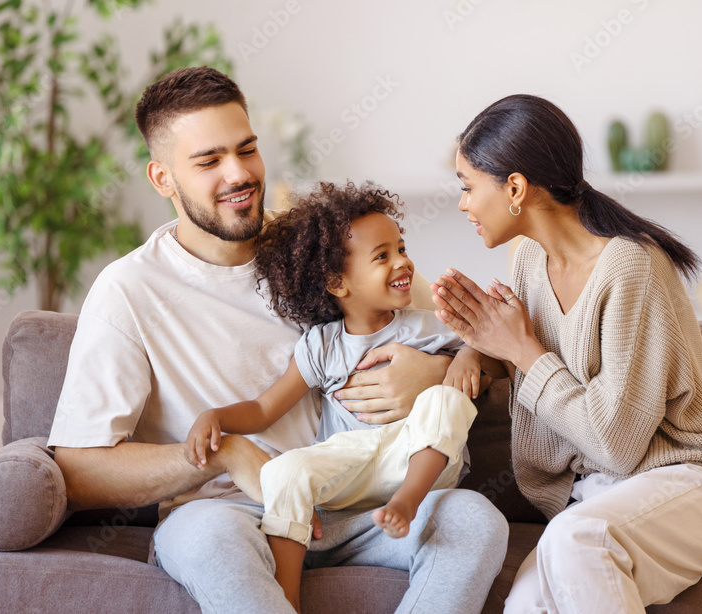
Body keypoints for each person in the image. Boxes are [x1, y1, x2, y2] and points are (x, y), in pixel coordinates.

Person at [46, 66, 508, 614]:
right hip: (229, 516)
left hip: (353, 501)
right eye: (209, 160)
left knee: (473, 520)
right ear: (162, 178)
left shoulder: (322, 248)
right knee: (203, 538)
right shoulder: (128, 291)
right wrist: (223, 457)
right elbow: (76, 470)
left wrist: (436, 373)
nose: (239, 173)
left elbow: (485, 342)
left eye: (247, 149)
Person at [430, 94, 702, 613]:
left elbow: (617, 442)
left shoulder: (630, 267)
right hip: (601, 501)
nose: (462, 204)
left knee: (577, 541)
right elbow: (535, 348)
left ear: (516, 188)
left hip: (701, 483)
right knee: (523, 605)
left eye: (467, 187)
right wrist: (473, 352)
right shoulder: (529, 260)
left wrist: (522, 351)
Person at [183, 181, 507, 610]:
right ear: (337, 282)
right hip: (350, 464)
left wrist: (467, 356)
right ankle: (288, 598)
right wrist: (217, 417)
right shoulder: (322, 346)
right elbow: (265, 409)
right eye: (382, 256)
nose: (403, 262)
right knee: (286, 470)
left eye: (402, 248)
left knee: (445, 401)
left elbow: (492, 351)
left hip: (413, 462)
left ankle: (406, 503)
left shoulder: (423, 325)